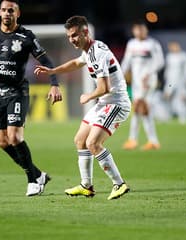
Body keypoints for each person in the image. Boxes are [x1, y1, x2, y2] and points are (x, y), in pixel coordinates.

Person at [35, 15, 130, 200]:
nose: (72, 40)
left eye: (75, 35)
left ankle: (119, 184)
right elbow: (76, 63)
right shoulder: (90, 50)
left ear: (85, 32)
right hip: (104, 103)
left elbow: (104, 88)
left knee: (93, 143)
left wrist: (88, 96)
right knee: (80, 140)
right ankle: (86, 186)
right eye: (69, 36)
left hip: (116, 103)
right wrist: (53, 71)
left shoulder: (97, 54)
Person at [0, 0, 62, 197]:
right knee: (3, 142)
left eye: (11, 10)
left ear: (18, 13)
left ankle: (32, 181)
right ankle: (38, 174)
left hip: (17, 92)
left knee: (15, 137)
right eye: (4, 10)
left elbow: (46, 61)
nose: (7, 13)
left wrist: (54, 83)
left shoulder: (26, 36)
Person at [121, 21, 164, 151]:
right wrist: (120, 75)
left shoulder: (153, 44)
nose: (140, 32)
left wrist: (149, 73)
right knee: (141, 111)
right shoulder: (131, 44)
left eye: (142, 29)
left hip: (148, 81)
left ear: (146, 31)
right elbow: (126, 61)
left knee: (140, 108)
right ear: (134, 31)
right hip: (137, 82)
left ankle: (137, 140)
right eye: (137, 30)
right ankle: (149, 141)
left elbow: (160, 61)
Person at [163, 41, 186, 124]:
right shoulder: (169, 56)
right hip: (170, 82)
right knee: (167, 96)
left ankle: (183, 117)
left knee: (182, 98)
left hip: (181, 81)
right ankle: (167, 115)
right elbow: (168, 68)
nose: (173, 48)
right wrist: (165, 77)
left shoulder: (184, 56)